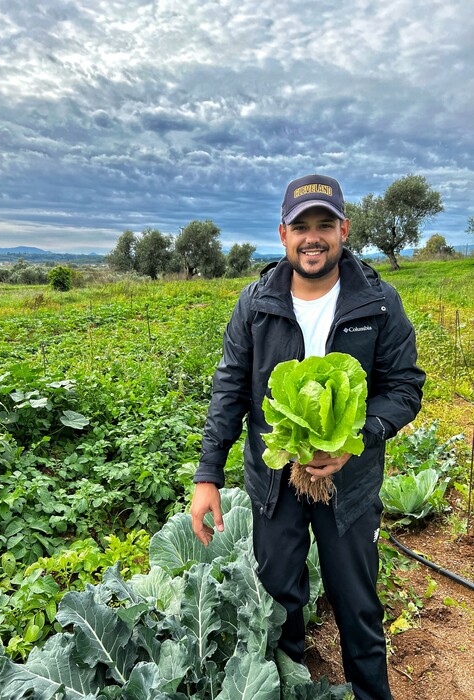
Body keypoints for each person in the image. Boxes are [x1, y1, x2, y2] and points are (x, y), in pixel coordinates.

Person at [190, 173, 426, 700]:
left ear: (343, 229)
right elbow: (230, 389)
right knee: (279, 598)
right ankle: (288, 684)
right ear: (283, 234)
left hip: (351, 484)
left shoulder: (378, 302)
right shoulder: (256, 303)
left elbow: (404, 387)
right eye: (301, 226)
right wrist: (208, 474)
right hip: (276, 478)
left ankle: (371, 692)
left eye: (324, 224)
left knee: (357, 603)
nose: (312, 237)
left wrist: (354, 438)